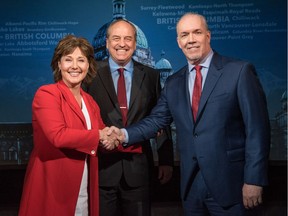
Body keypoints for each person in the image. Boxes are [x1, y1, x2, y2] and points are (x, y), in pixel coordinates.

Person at [115, 12, 270, 216]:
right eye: (185, 34)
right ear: (179, 42)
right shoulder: (173, 82)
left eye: (196, 32)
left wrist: (254, 179)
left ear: (208, 35)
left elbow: (257, 130)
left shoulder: (239, 71)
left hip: (232, 186)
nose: (191, 40)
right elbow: (156, 121)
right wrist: (122, 135)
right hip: (191, 189)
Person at [18, 35, 118, 216]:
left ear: (88, 66)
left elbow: (101, 135)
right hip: (53, 186)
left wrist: (114, 136)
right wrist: (100, 135)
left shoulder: (90, 101)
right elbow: (58, 136)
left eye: (81, 60)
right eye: (68, 59)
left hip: (84, 186)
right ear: (58, 64)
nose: (74, 66)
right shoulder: (47, 94)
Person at [84, 19, 174, 216]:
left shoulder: (151, 75)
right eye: (116, 38)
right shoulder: (89, 74)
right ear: (107, 43)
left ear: (135, 44)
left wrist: (166, 159)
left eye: (128, 39)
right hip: (101, 169)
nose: (122, 44)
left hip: (139, 169)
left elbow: (160, 118)